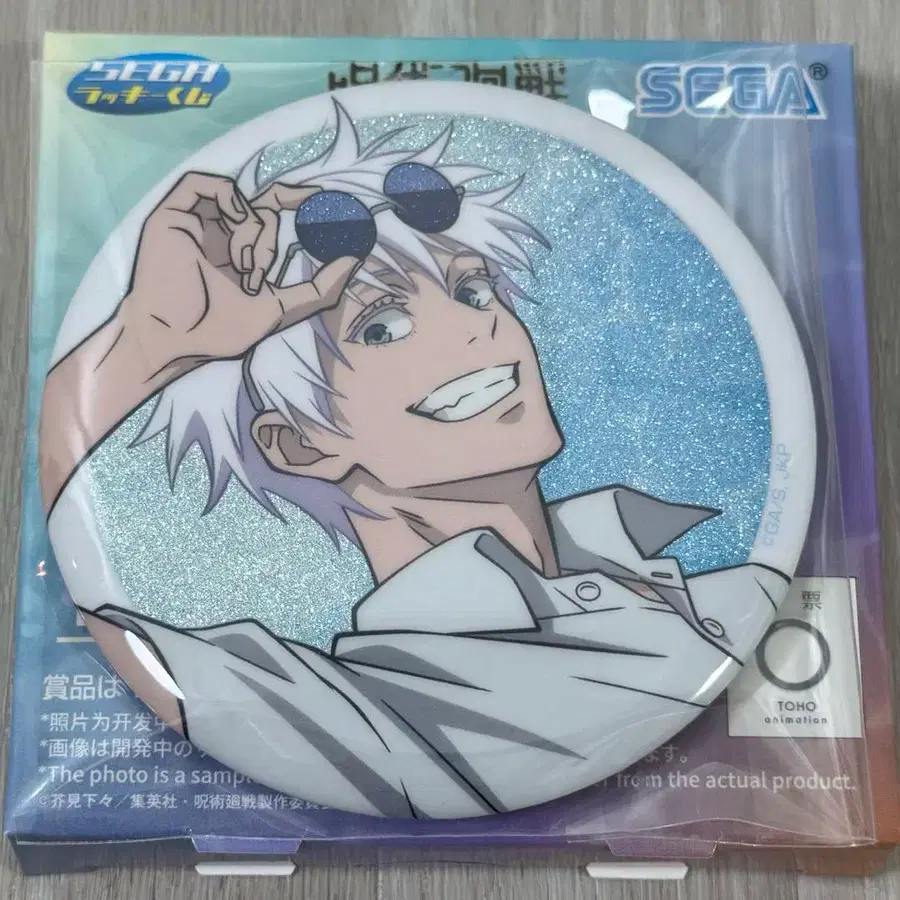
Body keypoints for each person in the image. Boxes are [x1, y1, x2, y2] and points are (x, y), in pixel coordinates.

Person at [39, 101, 786, 819]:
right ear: (300, 444)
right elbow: (91, 587)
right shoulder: (345, 718)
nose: (474, 332)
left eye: (474, 289)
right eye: (382, 328)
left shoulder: (722, 579)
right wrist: (149, 341)